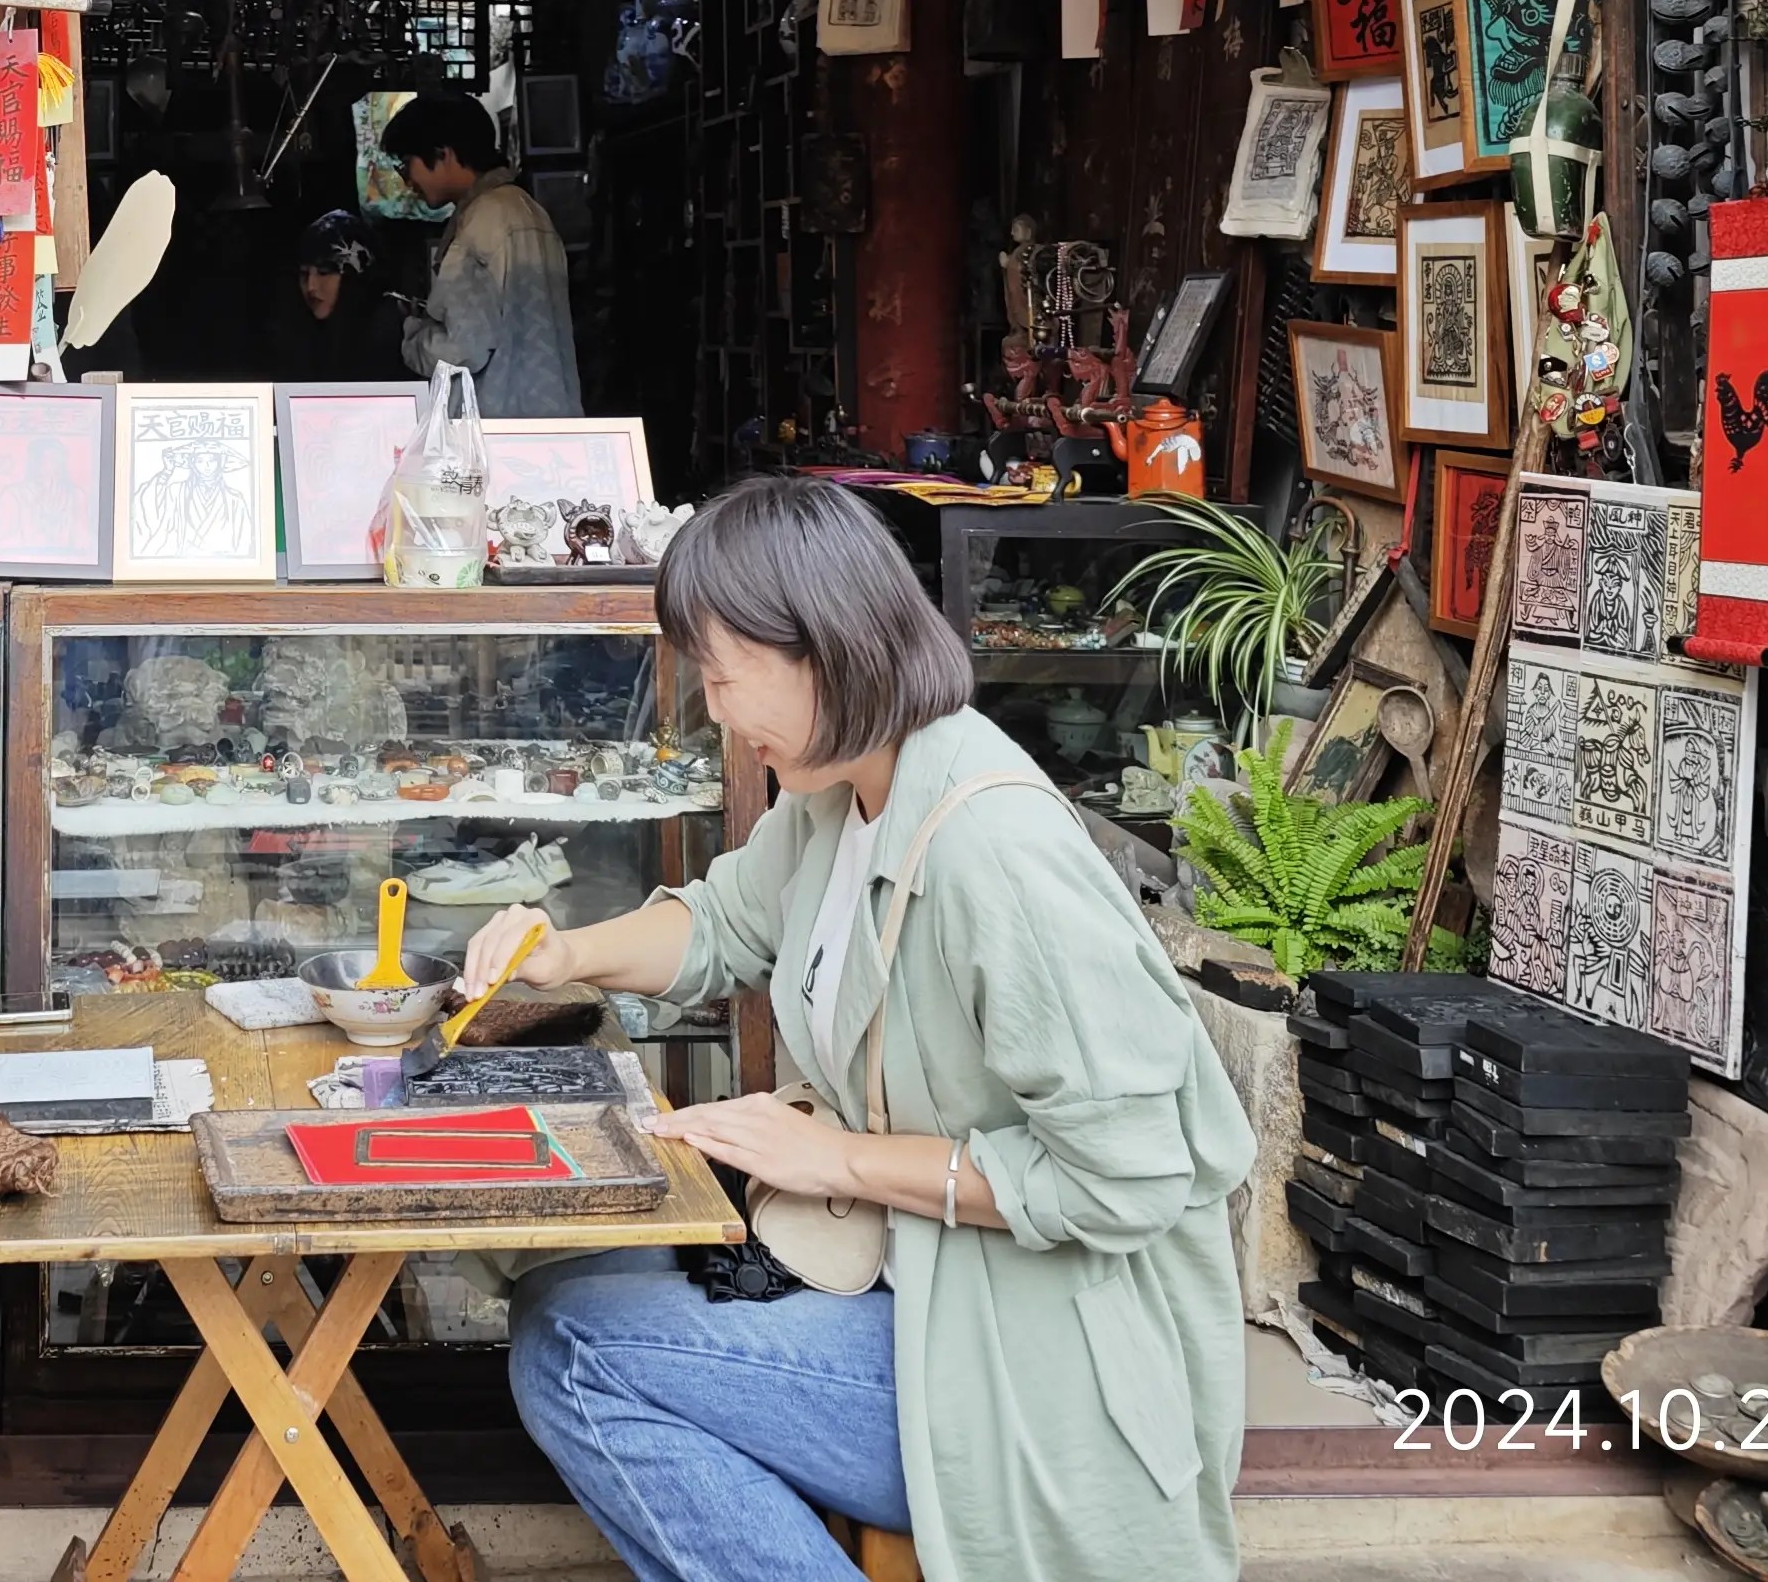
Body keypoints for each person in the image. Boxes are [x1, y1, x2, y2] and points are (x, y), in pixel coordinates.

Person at [455, 477, 1254, 1582]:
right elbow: (724, 924)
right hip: (910, 1285)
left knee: (580, 1350)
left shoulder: (995, 852)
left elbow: (1126, 1179)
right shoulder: (845, 789)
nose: (715, 715)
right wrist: (565, 952)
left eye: (724, 679)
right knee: (563, 1288)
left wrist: (834, 1160)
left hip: (1029, 1364)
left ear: (823, 651)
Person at [381, 86, 581, 416]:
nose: (407, 182)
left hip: (495, 428)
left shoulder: (480, 222)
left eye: (406, 165)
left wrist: (411, 335)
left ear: (443, 153)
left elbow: (462, 349)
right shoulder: (529, 210)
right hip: (551, 422)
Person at [274, 207, 407, 382]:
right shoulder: (298, 332)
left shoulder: (389, 329)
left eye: (324, 272)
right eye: (304, 274)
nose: (311, 286)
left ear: (353, 278)